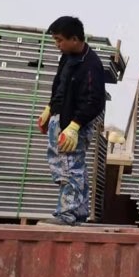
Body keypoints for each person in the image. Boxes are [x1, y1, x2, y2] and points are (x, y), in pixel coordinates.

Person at [34, 16, 106, 225]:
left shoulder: (91, 65)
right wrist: (50, 109)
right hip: (60, 118)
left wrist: (75, 125)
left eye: (59, 40)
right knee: (70, 166)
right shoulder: (66, 58)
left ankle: (67, 214)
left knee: (69, 168)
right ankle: (79, 212)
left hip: (74, 125)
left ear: (74, 39)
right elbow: (60, 86)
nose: (57, 45)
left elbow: (95, 101)